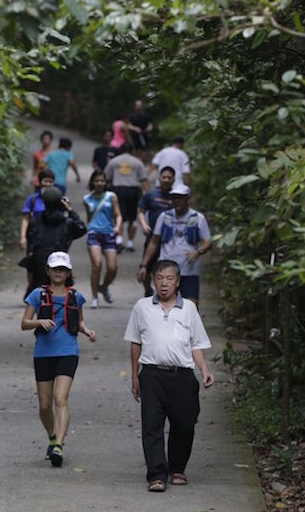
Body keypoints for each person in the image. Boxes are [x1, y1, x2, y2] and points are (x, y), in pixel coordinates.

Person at [124, 259, 214, 492]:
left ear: (178, 282)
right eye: (159, 278)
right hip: (151, 374)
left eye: (169, 278)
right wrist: (135, 376)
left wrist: (204, 370)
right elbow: (135, 342)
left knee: (184, 424)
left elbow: (197, 344)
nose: (164, 284)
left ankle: (177, 469)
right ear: (153, 281)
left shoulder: (189, 309)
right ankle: (156, 474)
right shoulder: (142, 307)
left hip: (182, 375)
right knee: (151, 425)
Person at [22, 252, 96, 468]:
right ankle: (52, 436)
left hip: (68, 351)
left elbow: (79, 322)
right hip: (43, 353)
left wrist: (87, 331)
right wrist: (39, 322)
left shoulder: (76, 296)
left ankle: (59, 446)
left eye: (62, 269)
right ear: (47, 270)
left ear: (68, 272)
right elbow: (24, 323)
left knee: (60, 398)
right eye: (55, 268)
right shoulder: (37, 294)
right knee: (44, 405)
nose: (58, 272)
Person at [137, 184, 212, 305]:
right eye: (174, 198)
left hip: (189, 270)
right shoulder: (164, 217)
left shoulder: (198, 218)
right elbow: (154, 242)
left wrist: (198, 252)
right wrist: (144, 265)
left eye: (180, 197)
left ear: (187, 199)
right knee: (165, 305)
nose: (177, 201)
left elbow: (208, 242)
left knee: (191, 305)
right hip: (166, 271)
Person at [26, 186, 87, 292]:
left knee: (38, 299)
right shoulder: (67, 223)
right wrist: (70, 210)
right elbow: (81, 228)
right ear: (61, 202)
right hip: (60, 265)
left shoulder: (35, 222)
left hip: (39, 267)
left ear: (44, 203)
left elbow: (30, 243)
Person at [83, 170, 122, 309]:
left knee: (112, 267)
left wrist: (117, 227)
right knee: (97, 265)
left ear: (105, 183)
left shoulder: (111, 196)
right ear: (92, 182)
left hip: (109, 234)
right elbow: (89, 217)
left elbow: (118, 215)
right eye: (97, 180)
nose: (100, 183)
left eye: (102, 181)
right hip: (94, 234)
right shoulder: (87, 199)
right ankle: (94, 297)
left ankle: (104, 287)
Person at [137, 166, 175, 296]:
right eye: (164, 177)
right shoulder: (150, 195)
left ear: (173, 180)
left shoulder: (176, 198)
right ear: (159, 178)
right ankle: (148, 289)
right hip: (152, 236)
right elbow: (141, 212)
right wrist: (144, 225)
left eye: (169, 178)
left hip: (170, 239)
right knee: (146, 266)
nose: (166, 180)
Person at [104, 144, 149, 253]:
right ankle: (130, 243)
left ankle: (119, 240)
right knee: (132, 218)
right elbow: (144, 179)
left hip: (118, 190)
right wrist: (147, 194)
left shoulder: (114, 161)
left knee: (119, 215)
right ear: (132, 151)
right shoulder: (137, 162)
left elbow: (106, 177)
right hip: (133, 190)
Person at [20, 168, 56, 297]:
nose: (47, 184)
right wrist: (23, 237)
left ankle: (47, 290)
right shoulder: (32, 199)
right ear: (40, 182)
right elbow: (25, 218)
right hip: (33, 236)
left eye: (50, 182)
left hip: (50, 236)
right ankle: (31, 287)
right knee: (30, 264)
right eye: (45, 181)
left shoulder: (56, 199)